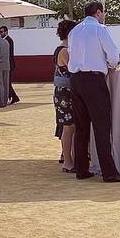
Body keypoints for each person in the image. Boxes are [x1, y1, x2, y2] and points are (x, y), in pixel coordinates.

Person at [67, 0, 120, 182]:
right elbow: (113, 55)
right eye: (103, 13)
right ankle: (109, 172)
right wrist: (111, 64)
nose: (104, 16)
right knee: (102, 126)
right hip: (94, 80)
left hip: (76, 79)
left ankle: (81, 168)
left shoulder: (75, 31)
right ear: (98, 12)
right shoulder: (100, 29)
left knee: (81, 127)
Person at [52, 19, 78, 172]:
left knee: (70, 126)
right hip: (65, 93)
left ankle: (69, 159)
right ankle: (68, 161)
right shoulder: (65, 50)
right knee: (68, 127)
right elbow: (73, 69)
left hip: (63, 92)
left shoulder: (61, 48)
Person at [0, 25, 20, 105]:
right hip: (8, 63)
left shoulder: (8, 40)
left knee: (7, 82)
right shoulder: (6, 40)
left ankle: (14, 97)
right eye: (0, 32)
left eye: (2, 32)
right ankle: (12, 96)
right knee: (7, 82)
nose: (1, 33)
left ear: (6, 32)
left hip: (9, 64)